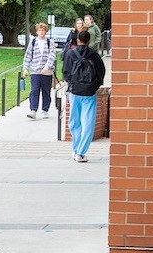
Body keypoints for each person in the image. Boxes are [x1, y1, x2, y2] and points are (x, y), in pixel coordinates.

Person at [63, 28, 107, 163]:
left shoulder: (70, 54)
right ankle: (81, 152)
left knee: (74, 122)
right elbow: (101, 73)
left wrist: (71, 84)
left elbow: (65, 72)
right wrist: (94, 86)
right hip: (89, 93)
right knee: (88, 123)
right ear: (89, 41)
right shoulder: (94, 55)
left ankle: (75, 149)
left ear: (78, 40)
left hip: (75, 91)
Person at [22, 22, 55, 119]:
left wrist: (47, 67)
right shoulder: (33, 42)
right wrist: (25, 68)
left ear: (46, 31)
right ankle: (33, 110)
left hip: (46, 72)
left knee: (46, 91)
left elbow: (52, 56)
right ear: (37, 32)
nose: (41, 32)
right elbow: (28, 56)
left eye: (43, 30)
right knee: (34, 90)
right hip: (35, 71)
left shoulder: (50, 43)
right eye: (39, 30)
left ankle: (45, 109)